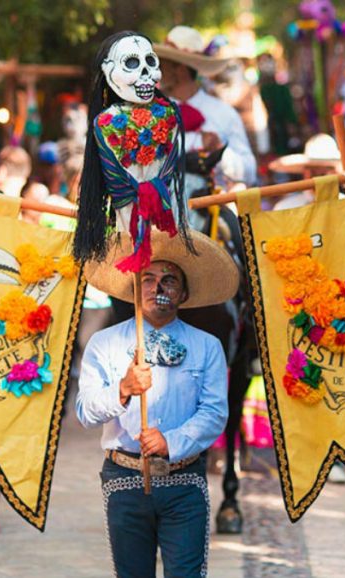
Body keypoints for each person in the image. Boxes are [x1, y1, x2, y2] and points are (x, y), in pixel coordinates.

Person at [76, 230, 238, 577]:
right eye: (147, 279)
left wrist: (172, 442)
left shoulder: (207, 346)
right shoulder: (104, 343)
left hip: (184, 480)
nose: (157, 288)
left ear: (183, 292)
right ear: (135, 287)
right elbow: (85, 411)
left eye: (169, 280)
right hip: (124, 478)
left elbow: (214, 413)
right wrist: (122, 389)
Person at [154, 25, 258, 187]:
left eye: (163, 64)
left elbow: (250, 172)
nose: (157, 70)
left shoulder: (223, 113)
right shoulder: (152, 114)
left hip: (213, 208)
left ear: (181, 70)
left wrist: (219, 151)